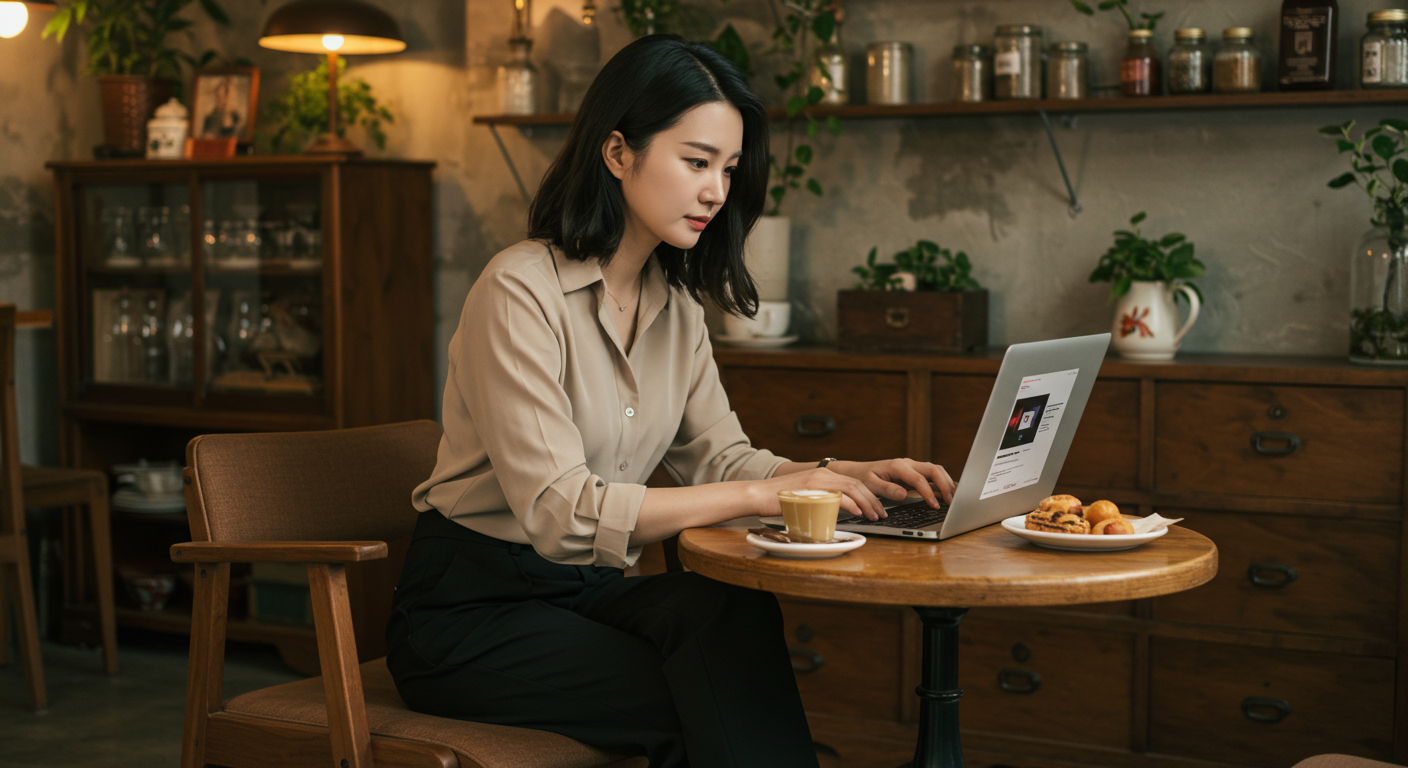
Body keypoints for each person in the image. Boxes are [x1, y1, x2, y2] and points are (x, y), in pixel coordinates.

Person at [386, 34, 956, 768]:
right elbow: (562, 511)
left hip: (587, 589)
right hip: (470, 614)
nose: (717, 191)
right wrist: (767, 492)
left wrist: (841, 472)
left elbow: (721, 458)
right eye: (696, 162)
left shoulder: (676, 306)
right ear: (618, 152)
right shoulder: (519, 291)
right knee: (705, 699)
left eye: (727, 167)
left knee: (729, 613)